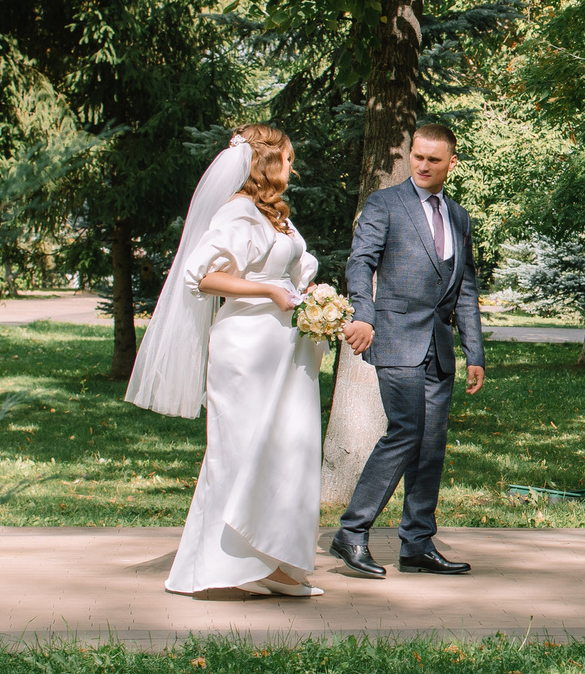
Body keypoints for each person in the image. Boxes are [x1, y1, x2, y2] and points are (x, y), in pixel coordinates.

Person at [125, 125, 327, 597]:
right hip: (246, 348)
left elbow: (292, 269)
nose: (293, 167)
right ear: (265, 163)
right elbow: (203, 276)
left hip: (285, 347)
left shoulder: (275, 213)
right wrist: (268, 289)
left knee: (284, 453)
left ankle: (273, 564)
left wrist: (308, 293)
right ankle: (226, 565)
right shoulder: (237, 210)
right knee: (239, 453)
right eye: (288, 159)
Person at [330, 122, 485, 579]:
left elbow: (466, 287)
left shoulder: (458, 216)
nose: (422, 165)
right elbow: (360, 261)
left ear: (450, 164)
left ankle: (417, 543)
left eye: (433, 160)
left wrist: (473, 351)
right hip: (395, 337)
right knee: (405, 432)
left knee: (431, 446)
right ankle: (352, 533)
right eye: (417, 156)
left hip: (438, 348)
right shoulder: (385, 204)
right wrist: (364, 312)